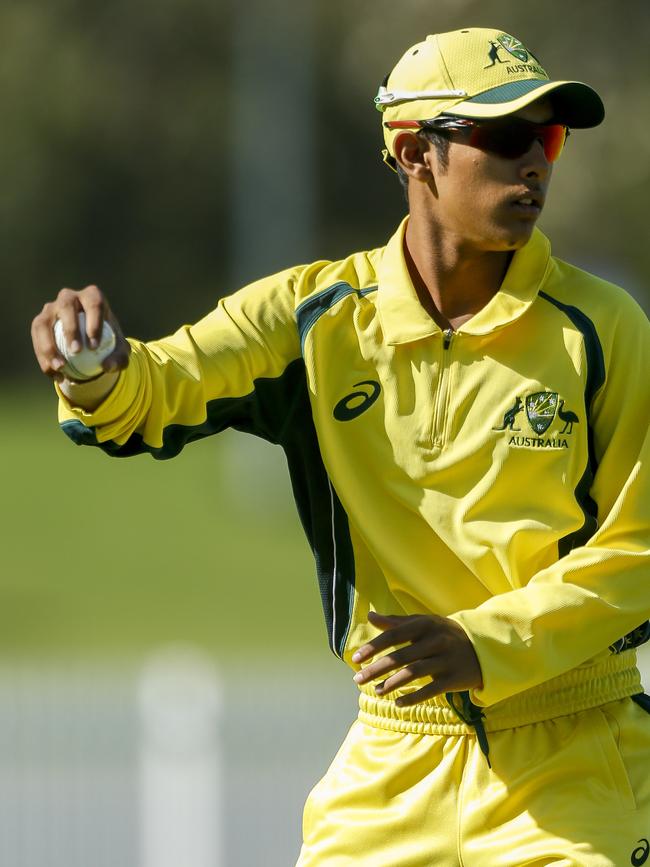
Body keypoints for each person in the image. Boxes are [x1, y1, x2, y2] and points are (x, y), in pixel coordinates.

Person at [31, 26, 650, 866]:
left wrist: (485, 643)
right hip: (391, 762)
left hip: (578, 759)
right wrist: (95, 369)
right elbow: (158, 386)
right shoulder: (311, 318)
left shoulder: (605, 327)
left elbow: (638, 553)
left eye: (547, 138)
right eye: (505, 139)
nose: (534, 164)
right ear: (412, 152)